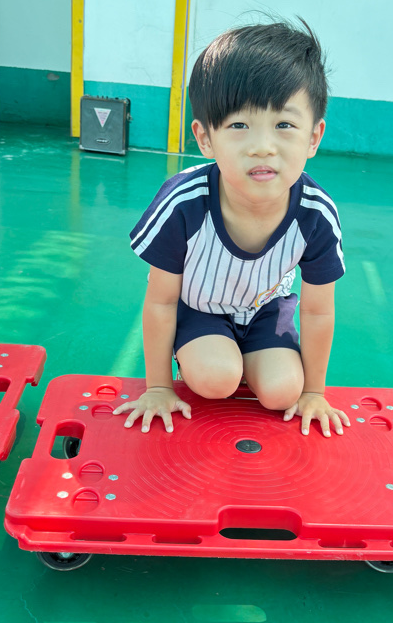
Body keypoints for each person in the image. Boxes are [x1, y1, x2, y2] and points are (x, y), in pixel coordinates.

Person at [114, 21, 350, 438]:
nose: (262, 147)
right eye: (240, 126)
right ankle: (209, 354)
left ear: (314, 137)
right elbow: (162, 301)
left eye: (284, 125)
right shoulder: (183, 203)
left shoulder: (316, 214)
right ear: (205, 137)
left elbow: (317, 310)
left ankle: (249, 358)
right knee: (215, 380)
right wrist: (158, 388)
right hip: (199, 310)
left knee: (283, 392)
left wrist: (314, 392)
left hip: (265, 312)